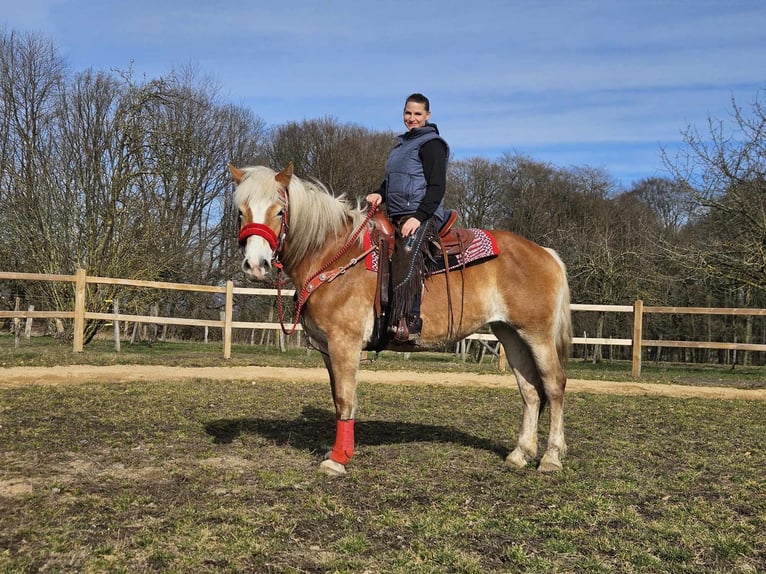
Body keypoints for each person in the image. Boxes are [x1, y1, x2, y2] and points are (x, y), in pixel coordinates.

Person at [366, 93, 450, 343]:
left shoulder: (433, 144)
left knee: (406, 254)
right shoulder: (401, 146)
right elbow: (392, 181)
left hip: (422, 214)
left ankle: (409, 320)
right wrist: (380, 194)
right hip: (398, 213)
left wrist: (419, 216)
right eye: (408, 113)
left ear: (427, 116)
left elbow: (437, 186)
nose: (412, 118)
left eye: (417, 114)